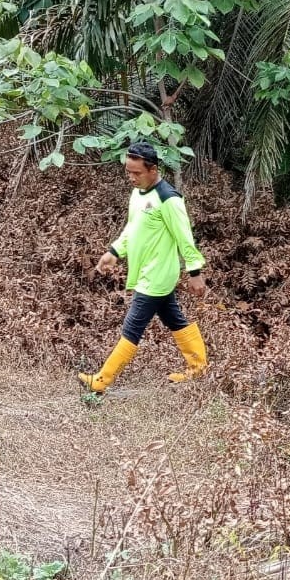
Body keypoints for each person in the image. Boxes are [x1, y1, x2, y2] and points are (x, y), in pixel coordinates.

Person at [79, 142, 208, 393]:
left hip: (158, 275)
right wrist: (114, 252)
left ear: (153, 170)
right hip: (146, 271)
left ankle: (101, 381)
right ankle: (199, 368)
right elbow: (132, 227)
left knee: (132, 327)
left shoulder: (168, 199)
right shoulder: (138, 193)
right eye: (128, 171)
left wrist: (195, 273)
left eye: (136, 173)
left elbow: (185, 238)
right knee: (174, 319)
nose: (131, 177)